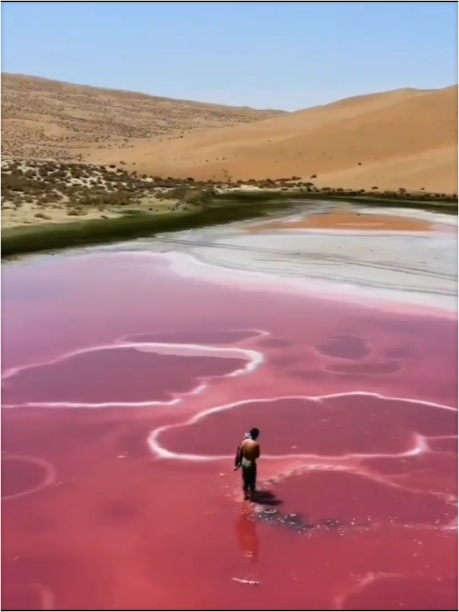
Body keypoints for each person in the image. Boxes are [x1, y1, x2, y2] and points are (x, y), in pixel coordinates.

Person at [234, 427, 260, 501]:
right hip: (251, 464)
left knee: (245, 480)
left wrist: (238, 464)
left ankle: (245, 496)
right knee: (252, 481)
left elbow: (239, 453)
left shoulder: (243, 442)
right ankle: (252, 499)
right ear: (256, 435)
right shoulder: (255, 445)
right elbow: (257, 455)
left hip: (244, 463)